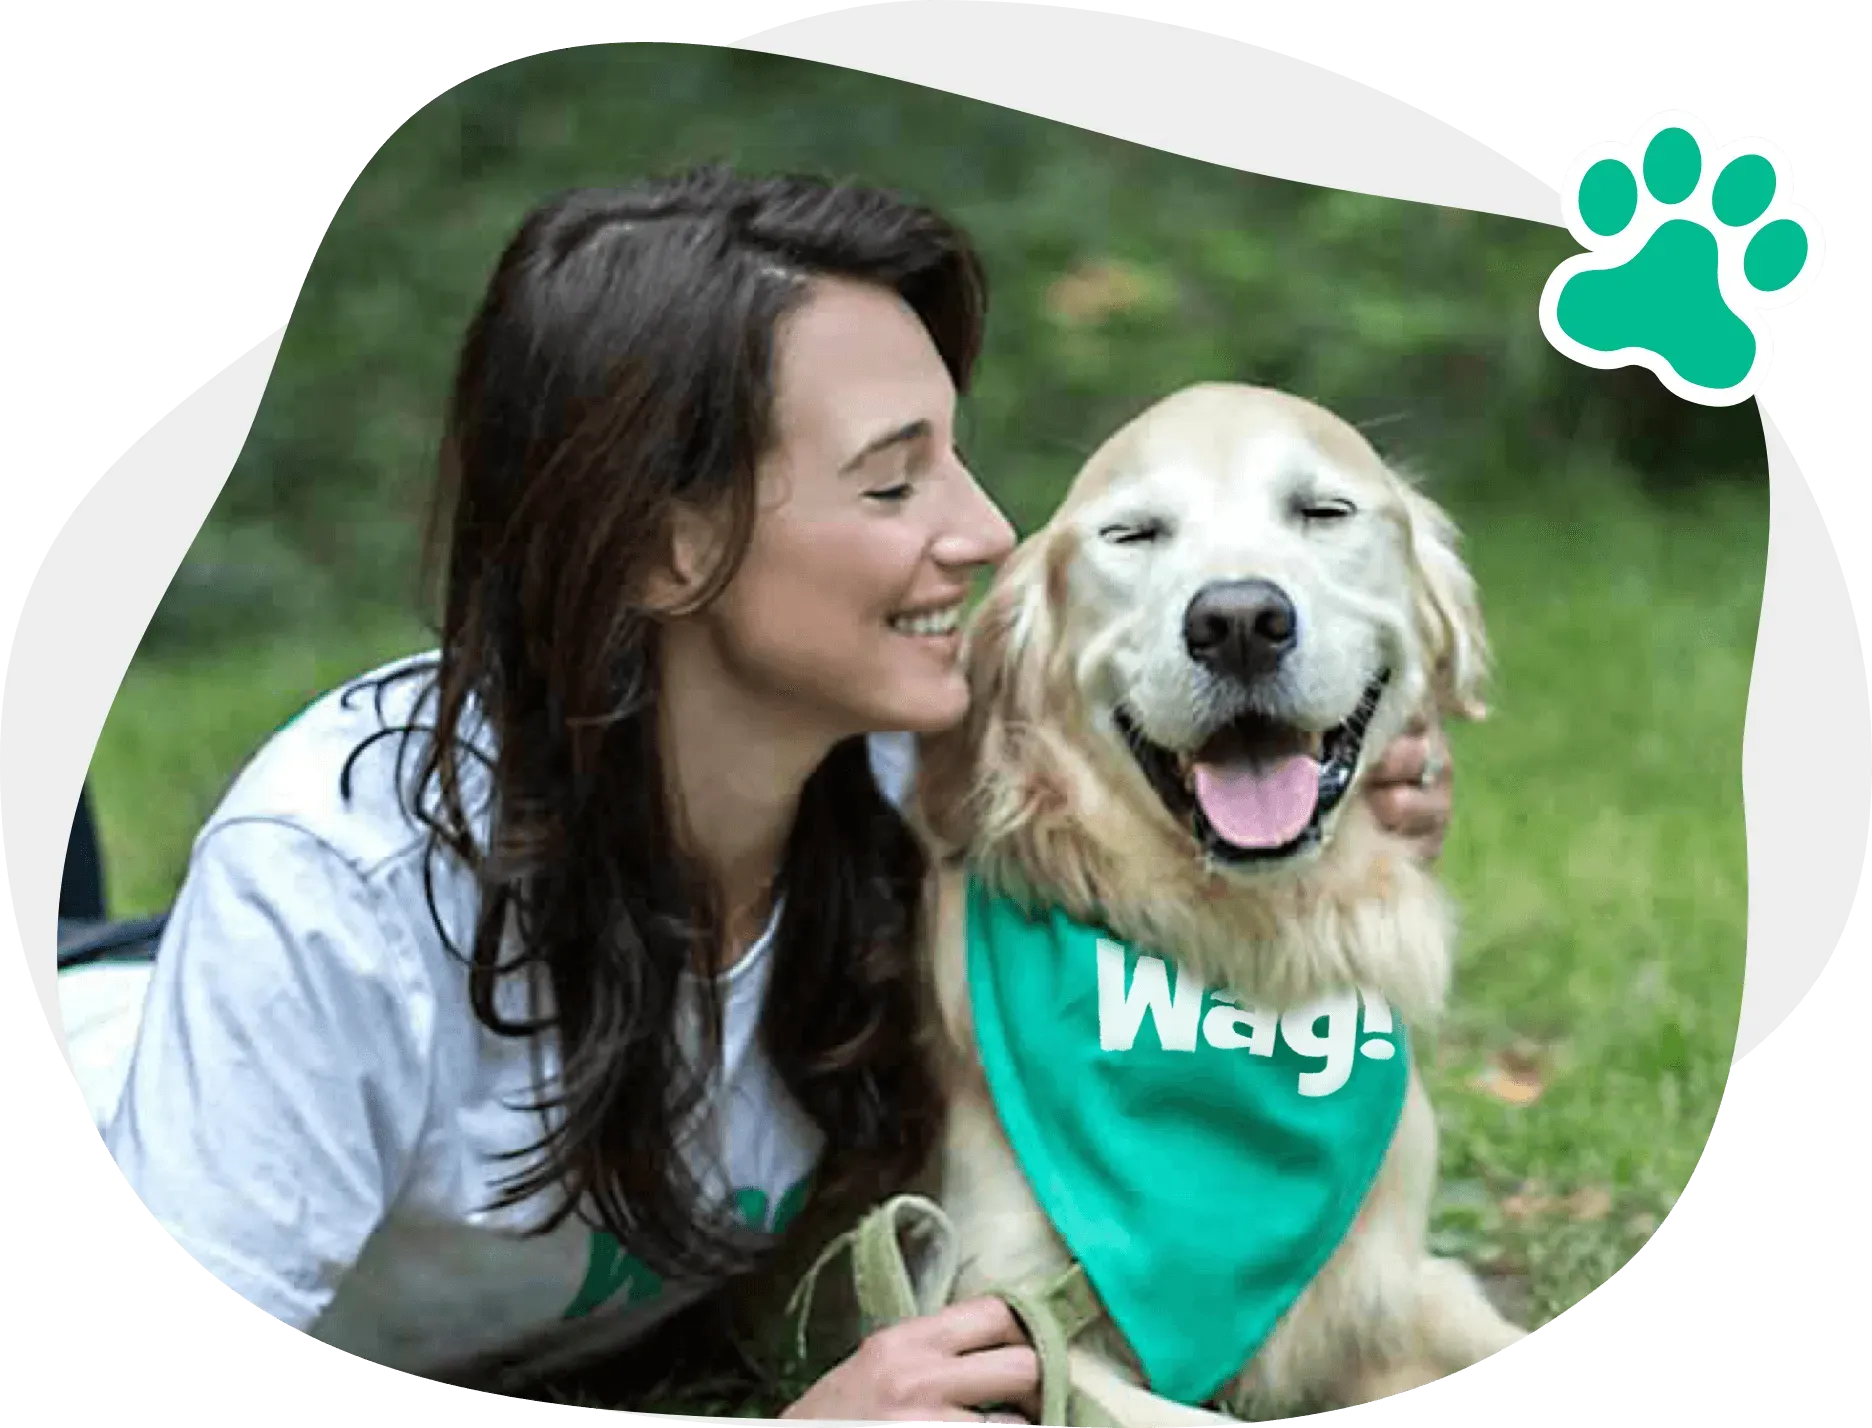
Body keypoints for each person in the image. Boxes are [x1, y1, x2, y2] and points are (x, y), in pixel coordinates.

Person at [70, 166, 1456, 1421]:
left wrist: (1330, 788)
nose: (980, 530)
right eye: (894, 480)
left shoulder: (928, 763)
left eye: (957, 459)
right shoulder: (336, 891)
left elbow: (1198, 799)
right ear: (670, 545)